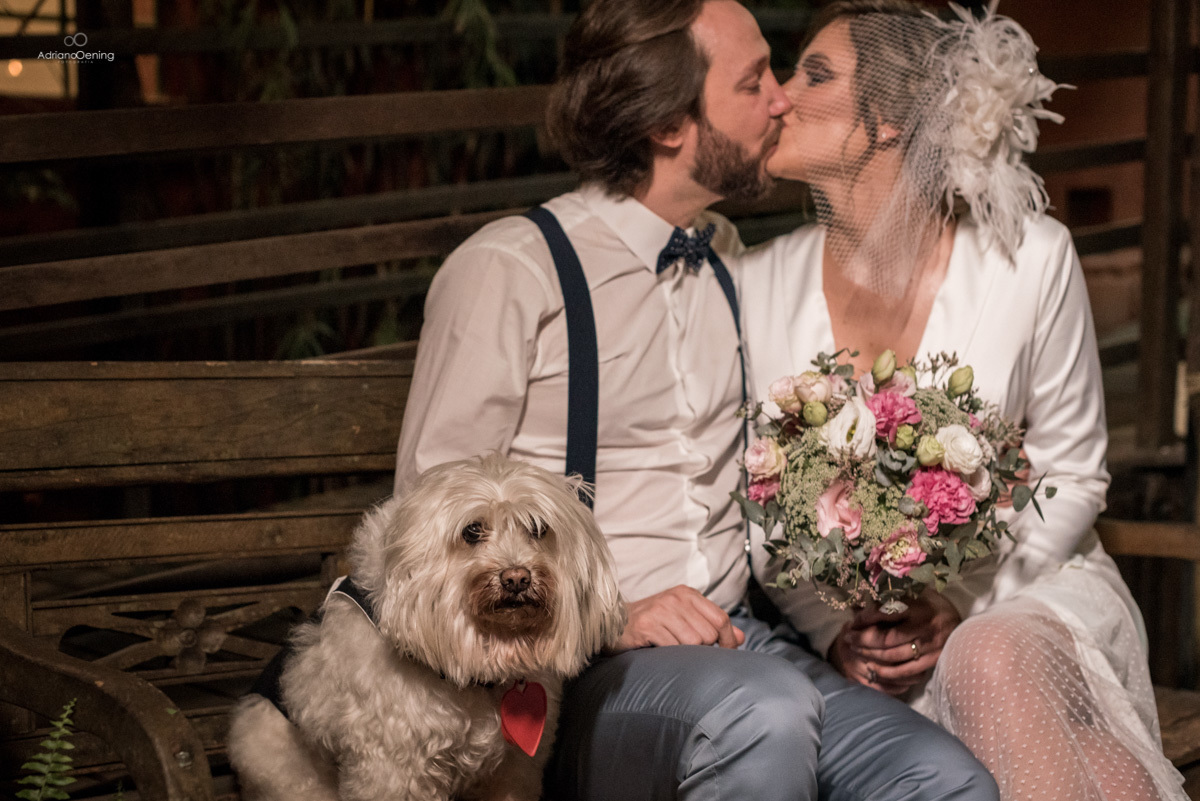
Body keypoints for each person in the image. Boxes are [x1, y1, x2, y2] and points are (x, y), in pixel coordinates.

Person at [395, 0, 998, 799]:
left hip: (746, 644)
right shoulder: (513, 270)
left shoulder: (722, 256)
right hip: (574, 676)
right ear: (670, 125)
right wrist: (614, 616)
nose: (783, 98)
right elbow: (425, 532)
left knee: (945, 779)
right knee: (764, 714)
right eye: (753, 83)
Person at [740, 2, 1188, 799]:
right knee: (1108, 775)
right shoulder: (753, 283)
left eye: (814, 73)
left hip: (1032, 588)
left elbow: (1076, 472)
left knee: (989, 654)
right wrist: (840, 630)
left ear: (888, 119)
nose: (778, 95)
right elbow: (753, 496)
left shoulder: (1031, 258)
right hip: (858, 646)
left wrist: (957, 600)